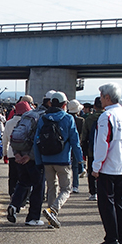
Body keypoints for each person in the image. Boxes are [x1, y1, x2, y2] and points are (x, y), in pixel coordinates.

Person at [91, 83, 122, 244]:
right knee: (120, 201)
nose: (101, 100)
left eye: (102, 97)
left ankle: (111, 238)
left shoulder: (106, 116)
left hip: (108, 166)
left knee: (106, 203)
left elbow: (103, 143)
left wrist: (96, 167)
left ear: (107, 97)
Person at [33, 91, 83, 229]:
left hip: (46, 159)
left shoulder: (43, 119)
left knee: (51, 188)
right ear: (64, 104)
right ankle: (53, 210)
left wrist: (38, 161)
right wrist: (80, 162)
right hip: (63, 159)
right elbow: (75, 142)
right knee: (66, 189)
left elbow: (36, 141)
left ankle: (51, 219)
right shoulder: (68, 118)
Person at [6, 106, 46, 226]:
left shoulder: (26, 116)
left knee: (23, 182)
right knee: (38, 187)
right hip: (33, 158)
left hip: (19, 155)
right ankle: (33, 217)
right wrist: (30, 156)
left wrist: (17, 154)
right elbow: (38, 139)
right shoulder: (42, 117)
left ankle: (14, 205)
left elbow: (15, 136)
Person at [3, 98, 33, 196]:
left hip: (12, 154)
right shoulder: (29, 122)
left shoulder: (9, 123)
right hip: (26, 154)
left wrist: (5, 153)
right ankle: (25, 197)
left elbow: (5, 140)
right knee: (25, 178)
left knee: (13, 176)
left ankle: (12, 194)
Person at [81, 97, 104, 201]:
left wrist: (84, 150)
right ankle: (102, 191)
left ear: (94, 106)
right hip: (105, 150)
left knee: (91, 170)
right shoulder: (107, 117)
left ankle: (93, 192)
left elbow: (84, 136)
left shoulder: (89, 119)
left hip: (92, 149)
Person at [67, 99, 85, 193]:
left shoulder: (66, 118)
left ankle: (67, 185)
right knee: (75, 166)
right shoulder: (81, 120)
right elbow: (82, 134)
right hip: (76, 144)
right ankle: (75, 186)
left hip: (65, 145)